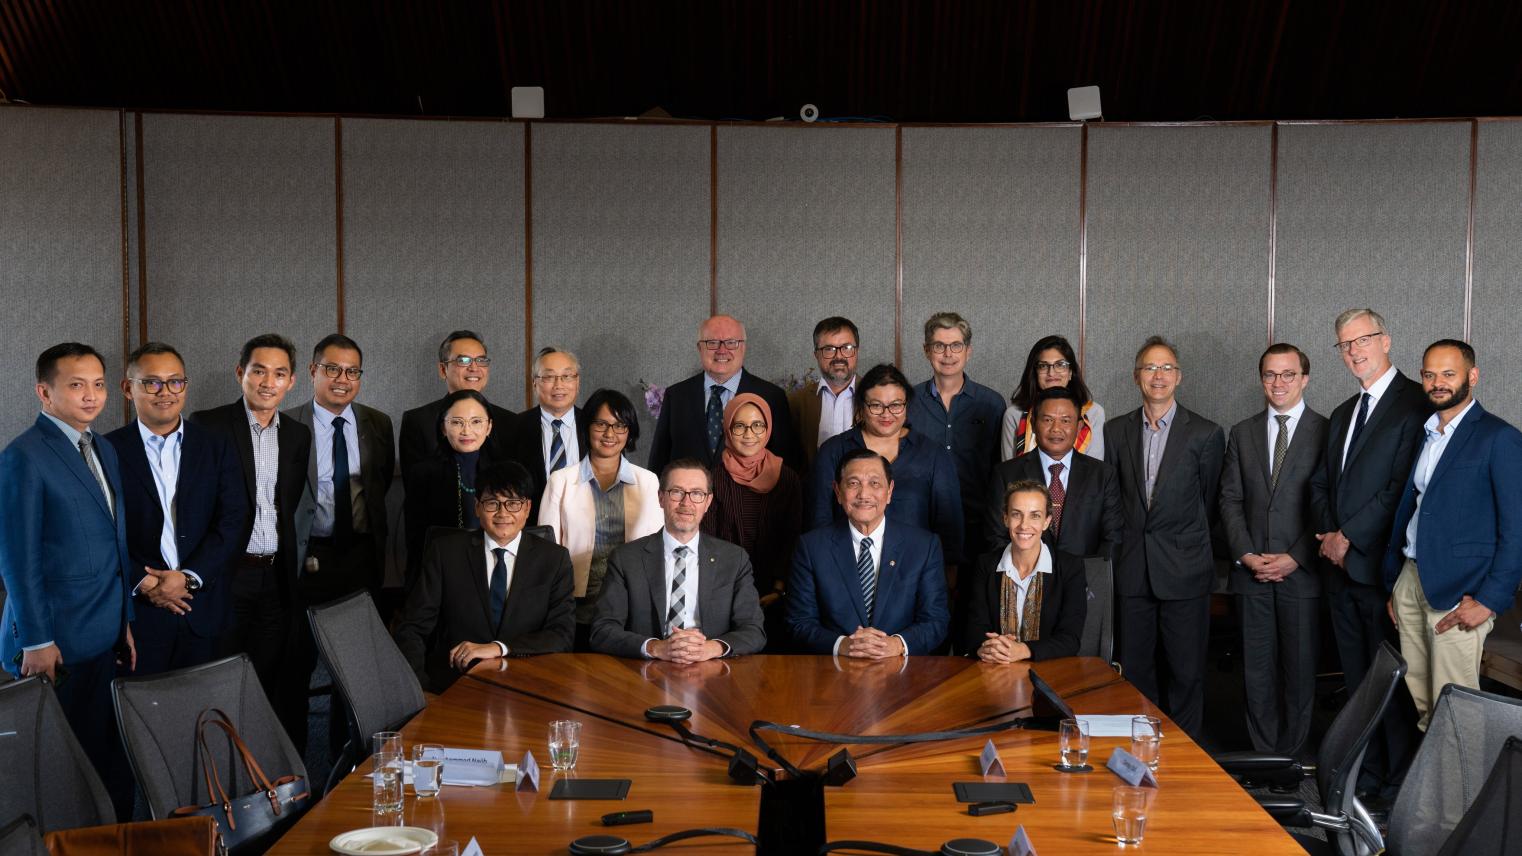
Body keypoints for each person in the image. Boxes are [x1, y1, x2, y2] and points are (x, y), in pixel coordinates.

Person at [0, 343, 136, 818]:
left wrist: (126, 620)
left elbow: (116, 544)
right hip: (55, 642)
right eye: (76, 385)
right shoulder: (23, 456)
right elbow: (18, 560)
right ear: (44, 391)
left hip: (104, 630)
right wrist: (36, 639)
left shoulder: (102, 446)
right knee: (61, 773)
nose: (91, 396)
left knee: (107, 760)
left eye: (98, 384)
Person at [1308, 308, 1428, 801]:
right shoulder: (1342, 413)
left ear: (1386, 340)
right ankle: (1366, 777)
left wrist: (1350, 537)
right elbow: (1320, 484)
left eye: (1363, 339)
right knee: (1358, 687)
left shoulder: (1415, 404)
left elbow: (1402, 488)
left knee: (1393, 688)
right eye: (1344, 344)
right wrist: (1328, 536)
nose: (1354, 350)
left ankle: (1397, 785)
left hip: (1381, 572)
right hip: (1339, 572)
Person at [1384, 340, 1522, 731]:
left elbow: (1517, 529)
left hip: (1462, 593)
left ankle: (1463, 794)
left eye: (1449, 374)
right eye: (1429, 374)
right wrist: (1397, 584)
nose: (1437, 383)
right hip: (1412, 579)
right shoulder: (1426, 434)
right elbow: (1414, 507)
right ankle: (1435, 791)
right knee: (1426, 707)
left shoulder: (1499, 438)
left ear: (1472, 377)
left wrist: (1490, 600)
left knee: (1456, 711)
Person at [189, 334, 313, 750]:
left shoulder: (297, 435)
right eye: (258, 370)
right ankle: (221, 769)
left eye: (279, 373)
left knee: (269, 679)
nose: (267, 381)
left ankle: (268, 775)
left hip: (275, 576)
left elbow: (288, 506)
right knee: (220, 677)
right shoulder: (208, 425)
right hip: (226, 575)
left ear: (292, 381)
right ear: (240, 372)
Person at [1104, 336, 1224, 737]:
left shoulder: (1205, 433)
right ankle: (1141, 750)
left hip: (1185, 569)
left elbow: (1209, 505)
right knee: (1135, 671)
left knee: (1186, 672)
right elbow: (1114, 501)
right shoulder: (1116, 430)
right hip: (1133, 569)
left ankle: (1184, 757)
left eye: (1167, 368)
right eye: (1150, 368)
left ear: (1179, 377)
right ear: (1136, 376)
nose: (1159, 376)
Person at [105, 342, 247, 675]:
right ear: (128, 388)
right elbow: (102, 531)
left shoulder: (215, 445)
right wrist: (145, 582)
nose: (165, 392)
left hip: (204, 606)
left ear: (185, 385)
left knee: (207, 713)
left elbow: (233, 519)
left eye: (175, 381)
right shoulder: (107, 450)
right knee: (143, 715)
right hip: (140, 612)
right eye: (151, 382)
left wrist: (189, 577)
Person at [285, 333, 395, 760]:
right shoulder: (290, 423)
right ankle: (297, 767)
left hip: (360, 558)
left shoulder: (377, 423)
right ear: (313, 372)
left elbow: (378, 485)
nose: (342, 379)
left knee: (355, 670)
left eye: (352, 372)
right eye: (332, 369)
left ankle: (345, 760)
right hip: (307, 558)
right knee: (298, 665)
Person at [1218, 343, 1329, 758]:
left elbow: (1327, 502)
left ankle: (1291, 760)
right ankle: (1264, 757)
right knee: (1256, 671)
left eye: (1287, 374)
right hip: (1251, 573)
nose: (1278, 383)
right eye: (1270, 374)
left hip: (1300, 573)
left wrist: (1295, 557)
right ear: (1261, 379)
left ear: (1305, 378)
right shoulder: (1242, 432)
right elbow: (1228, 500)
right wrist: (1246, 554)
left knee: (1298, 673)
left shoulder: (1327, 430)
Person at [394, 461, 575, 692]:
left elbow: (562, 635)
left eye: (513, 503)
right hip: (455, 687)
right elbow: (412, 629)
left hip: (529, 687)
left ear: (528, 508)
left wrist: (499, 647)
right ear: (477, 507)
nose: (503, 513)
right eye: (492, 503)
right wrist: (420, 691)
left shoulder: (554, 559)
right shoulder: (445, 553)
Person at [590, 459, 767, 660]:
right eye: (676, 492)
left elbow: (754, 631)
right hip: (646, 672)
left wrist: (711, 648)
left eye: (697, 494)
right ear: (661, 498)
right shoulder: (626, 559)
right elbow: (602, 630)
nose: (686, 503)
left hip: (712, 671)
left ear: (708, 502)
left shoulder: (734, 560)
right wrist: (655, 648)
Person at [789, 448, 950, 657]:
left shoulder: (923, 546)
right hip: (833, 672)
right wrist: (843, 645)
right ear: (838, 492)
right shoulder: (811, 547)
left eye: (874, 483)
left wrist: (897, 645)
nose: (864, 494)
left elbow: (936, 621)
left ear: (890, 491)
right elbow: (799, 622)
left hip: (904, 674)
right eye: (853, 483)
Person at [537, 388, 662, 650]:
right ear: (587, 427)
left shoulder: (648, 482)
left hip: (631, 606)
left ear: (629, 432)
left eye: (619, 426)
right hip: (575, 607)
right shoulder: (561, 481)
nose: (610, 434)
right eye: (601, 424)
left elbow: (657, 549)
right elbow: (546, 551)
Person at [808, 363, 963, 566]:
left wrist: (947, 575)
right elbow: (819, 520)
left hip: (916, 569)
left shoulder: (932, 455)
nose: (886, 414)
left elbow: (949, 525)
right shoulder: (834, 451)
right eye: (876, 405)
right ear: (862, 407)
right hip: (845, 568)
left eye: (896, 405)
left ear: (907, 405)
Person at [401, 330, 519, 592]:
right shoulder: (418, 421)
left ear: (488, 426)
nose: (474, 368)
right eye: (463, 361)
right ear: (443, 369)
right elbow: (417, 509)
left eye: (481, 360)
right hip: (439, 558)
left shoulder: (511, 423)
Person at [702, 392, 803, 649]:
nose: (749, 434)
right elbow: (708, 542)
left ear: (768, 428)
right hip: (725, 594)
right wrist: (734, 591)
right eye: (740, 426)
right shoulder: (712, 480)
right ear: (727, 428)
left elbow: (794, 536)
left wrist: (779, 587)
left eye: (758, 425)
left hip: (778, 593)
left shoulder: (787, 478)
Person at [646, 314, 803, 474]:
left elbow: (786, 463)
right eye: (712, 343)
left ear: (743, 347)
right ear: (699, 348)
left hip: (748, 497)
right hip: (688, 497)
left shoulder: (771, 397)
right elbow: (659, 460)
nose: (722, 350)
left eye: (731, 343)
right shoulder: (676, 396)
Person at [908, 312, 1005, 572]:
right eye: (939, 346)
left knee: (972, 605)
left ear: (968, 351)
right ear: (926, 350)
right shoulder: (907, 402)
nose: (948, 354)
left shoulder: (992, 403)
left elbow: (1000, 468)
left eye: (956, 346)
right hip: (920, 521)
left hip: (978, 522)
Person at [984, 386, 1123, 557]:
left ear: (1079, 427)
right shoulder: (1005, 474)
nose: (1056, 428)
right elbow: (996, 538)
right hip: (1025, 580)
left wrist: (1091, 580)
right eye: (1048, 420)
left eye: (1065, 420)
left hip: (1085, 579)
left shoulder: (1103, 475)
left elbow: (1112, 538)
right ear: (1033, 424)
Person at [961, 481, 1087, 662]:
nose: (1024, 525)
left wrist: (1023, 650)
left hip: (1052, 673)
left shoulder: (1070, 567)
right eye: (1016, 515)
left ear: (1046, 521)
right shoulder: (985, 564)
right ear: (1005, 518)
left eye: (1035, 516)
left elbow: (1070, 639)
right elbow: (974, 630)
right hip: (995, 669)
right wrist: (986, 648)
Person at [406, 389, 512, 548]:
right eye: (457, 422)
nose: (466, 431)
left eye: (476, 422)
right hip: (444, 563)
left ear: (489, 427)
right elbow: (416, 539)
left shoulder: (507, 472)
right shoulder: (423, 474)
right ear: (443, 428)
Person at [1001, 335, 1106, 461]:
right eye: (1043, 366)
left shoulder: (1093, 413)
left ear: (1071, 372)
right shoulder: (1014, 414)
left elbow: (1095, 471)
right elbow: (1009, 471)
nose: (1051, 373)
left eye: (1060, 365)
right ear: (1034, 373)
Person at [509, 346, 587, 505]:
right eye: (549, 377)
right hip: (532, 525)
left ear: (577, 382)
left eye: (567, 376)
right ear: (534, 383)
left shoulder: (595, 425)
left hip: (587, 523)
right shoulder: (513, 427)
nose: (559, 384)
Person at [789, 316, 860, 469]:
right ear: (816, 355)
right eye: (829, 349)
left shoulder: (875, 396)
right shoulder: (797, 402)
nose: (839, 356)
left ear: (857, 352)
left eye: (847, 348)